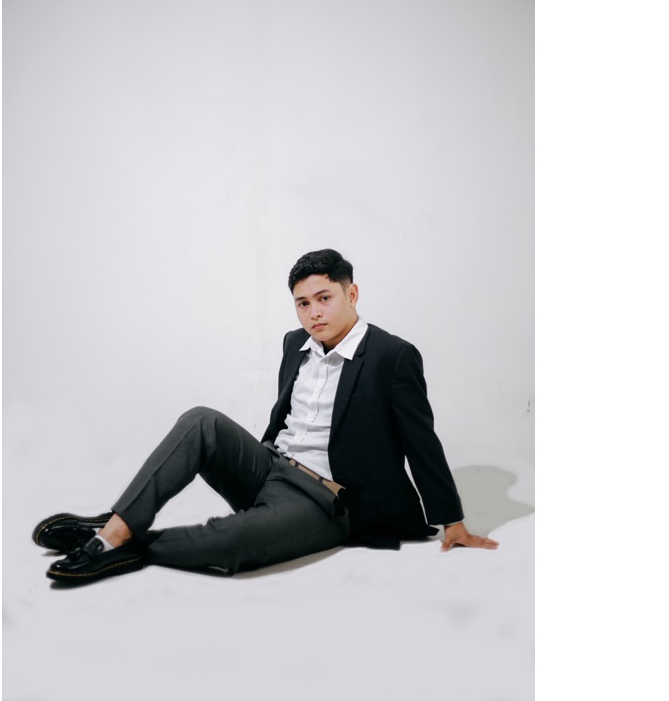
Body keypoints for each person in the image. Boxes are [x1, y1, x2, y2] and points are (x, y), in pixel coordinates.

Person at [33, 249, 498, 584]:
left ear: (352, 293)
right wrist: (260, 464)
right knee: (201, 419)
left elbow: (421, 441)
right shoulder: (293, 344)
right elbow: (284, 419)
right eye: (303, 303)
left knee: (231, 547)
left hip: (324, 500)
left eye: (324, 298)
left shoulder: (392, 356)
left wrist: (451, 520)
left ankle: (116, 544)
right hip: (269, 468)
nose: (313, 313)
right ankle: (118, 523)